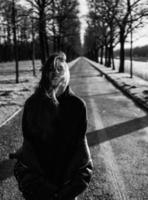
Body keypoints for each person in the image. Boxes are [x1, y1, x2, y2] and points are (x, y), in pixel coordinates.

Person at [10, 52, 93, 200]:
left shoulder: (77, 106)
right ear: (45, 74)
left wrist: (70, 188)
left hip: (66, 188)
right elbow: (28, 148)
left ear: (67, 72)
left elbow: (80, 149)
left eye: (59, 68)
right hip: (37, 189)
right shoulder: (32, 104)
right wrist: (38, 186)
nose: (54, 72)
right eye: (50, 69)